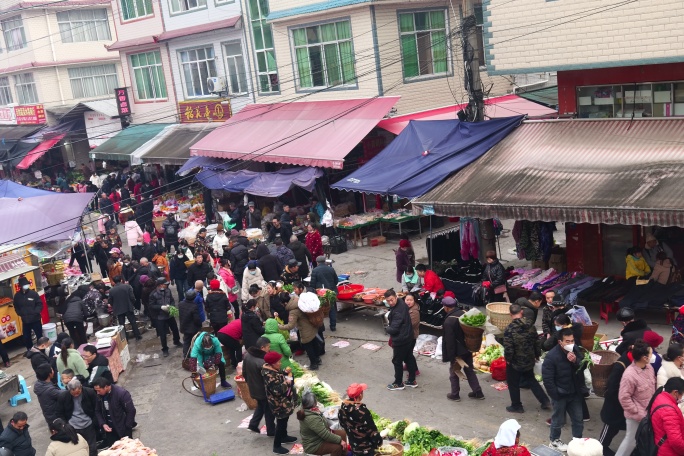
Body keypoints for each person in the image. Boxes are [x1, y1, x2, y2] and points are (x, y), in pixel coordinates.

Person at [542, 328, 586, 452]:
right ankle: (554, 441)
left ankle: (576, 441)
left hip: (574, 392)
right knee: (558, 420)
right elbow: (547, 379)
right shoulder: (552, 356)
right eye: (567, 341)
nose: (570, 344)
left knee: (578, 419)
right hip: (560, 394)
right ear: (560, 342)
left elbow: (583, 365)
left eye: (572, 341)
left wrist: (576, 361)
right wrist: (555, 395)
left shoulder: (575, 350)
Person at [503, 303, 550, 414]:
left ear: (510, 314)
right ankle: (545, 400)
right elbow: (536, 342)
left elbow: (508, 347)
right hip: (529, 359)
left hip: (515, 362)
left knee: (513, 383)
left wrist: (508, 359)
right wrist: (537, 355)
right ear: (521, 312)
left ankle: (516, 406)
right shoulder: (530, 325)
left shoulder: (509, 329)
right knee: (531, 380)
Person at [614, 340, 656, 456]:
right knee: (630, 441)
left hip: (648, 413)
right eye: (651, 354)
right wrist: (636, 411)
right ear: (644, 358)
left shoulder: (649, 368)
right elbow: (624, 397)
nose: (653, 356)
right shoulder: (629, 375)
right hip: (635, 415)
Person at [441, 296, 484, 401]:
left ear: (446, 307)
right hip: (468, 347)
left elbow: (450, 342)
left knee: (454, 372)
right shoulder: (464, 313)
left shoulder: (448, 322)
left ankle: (455, 394)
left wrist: (452, 357)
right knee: (469, 370)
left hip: (457, 351)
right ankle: (478, 392)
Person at [261, 351, 298, 454]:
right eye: (278, 362)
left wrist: (285, 372)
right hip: (278, 404)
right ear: (272, 363)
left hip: (283, 402)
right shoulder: (269, 376)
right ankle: (276, 446)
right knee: (281, 423)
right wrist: (287, 382)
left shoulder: (274, 370)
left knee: (285, 419)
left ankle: (284, 437)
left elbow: (279, 374)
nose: (280, 363)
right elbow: (277, 391)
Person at [599, 348, 631, 456]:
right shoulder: (621, 365)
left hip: (622, 403)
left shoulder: (632, 362)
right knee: (610, 427)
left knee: (615, 427)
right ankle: (601, 447)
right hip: (614, 403)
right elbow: (612, 386)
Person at [279, 291, 322, 370]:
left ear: (285, 303)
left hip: (305, 330)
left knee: (308, 347)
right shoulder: (298, 301)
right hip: (312, 326)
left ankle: (314, 364)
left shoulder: (293, 311)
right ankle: (318, 359)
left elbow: (290, 325)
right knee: (314, 343)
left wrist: (279, 326)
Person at [338, 383, 382, 456]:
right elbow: (372, 431)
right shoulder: (363, 412)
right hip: (366, 448)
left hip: (354, 445)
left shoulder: (342, 409)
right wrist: (379, 442)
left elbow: (342, 424)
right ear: (360, 395)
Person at [297, 391, 347, 456]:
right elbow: (325, 435)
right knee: (337, 447)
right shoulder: (312, 418)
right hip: (314, 445)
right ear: (313, 403)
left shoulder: (307, 410)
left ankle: (344, 453)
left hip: (318, 437)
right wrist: (340, 441)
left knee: (342, 433)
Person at [385, 289, 416, 390]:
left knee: (397, 361)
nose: (390, 302)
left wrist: (387, 328)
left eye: (392, 300)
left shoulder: (398, 311)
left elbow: (393, 329)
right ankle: (412, 380)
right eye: (388, 301)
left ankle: (398, 383)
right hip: (408, 336)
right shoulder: (401, 303)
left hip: (401, 339)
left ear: (396, 297)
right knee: (408, 358)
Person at [58, 378, 99, 456]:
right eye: (74, 393)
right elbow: (60, 413)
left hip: (88, 425)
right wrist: (65, 425)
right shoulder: (63, 397)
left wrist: (95, 421)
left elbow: (96, 408)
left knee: (92, 447)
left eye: (78, 392)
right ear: (69, 390)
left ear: (81, 387)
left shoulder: (89, 393)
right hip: (73, 426)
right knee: (78, 448)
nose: (76, 395)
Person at [93, 377, 136, 448]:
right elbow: (98, 411)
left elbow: (131, 411)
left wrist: (127, 426)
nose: (97, 393)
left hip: (123, 427)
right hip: (110, 429)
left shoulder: (121, 393)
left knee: (127, 449)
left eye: (99, 390)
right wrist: (103, 424)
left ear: (106, 387)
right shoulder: (99, 396)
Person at [244, 337, 275, 435]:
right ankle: (271, 430)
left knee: (261, 406)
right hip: (262, 390)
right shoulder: (262, 362)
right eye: (268, 347)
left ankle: (253, 424)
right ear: (262, 347)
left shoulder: (247, 356)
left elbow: (244, 373)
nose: (269, 349)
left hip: (253, 388)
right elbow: (268, 378)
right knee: (268, 410)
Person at [650, 377, 684, 456]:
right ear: (675, 392)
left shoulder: (660, 397)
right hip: (669, 452)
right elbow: (676, 442)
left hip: (661, 445)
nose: (682, 397)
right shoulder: (669, 410)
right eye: (682, 394)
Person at [148, 277, 181, 357]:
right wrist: (161, 307)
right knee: (163, 334)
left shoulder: (168, 291)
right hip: (159, 317)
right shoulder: (153, 294)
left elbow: (172, 300)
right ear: (160, 285)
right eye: (165, 284)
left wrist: (171, 306)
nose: (166, 285)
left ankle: (176, 341)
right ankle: (165, 348)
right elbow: (151, 306)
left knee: (175, 329)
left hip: (169, 315)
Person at [108, 275, 142, 341]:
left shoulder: (111, 290)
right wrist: (132, 304)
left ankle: (125, 338)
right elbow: (132, 297)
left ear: (114, 282)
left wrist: (114, 305)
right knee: (133, 322)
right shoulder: (127, 286)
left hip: (118, 309)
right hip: (128, 307)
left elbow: (110, 301)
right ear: (121, 280)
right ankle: (137, 336)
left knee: (121, 324)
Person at [13, 277, 43, 351]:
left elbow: (39, 304)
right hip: (25, 320)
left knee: (39, 336)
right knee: (26, 337)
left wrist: (36, 312)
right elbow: (16, 306)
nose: (26, 286)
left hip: (35, 319)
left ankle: (42, 349)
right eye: (24, 284)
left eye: (27, 284)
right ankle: (30, 350)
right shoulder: (17, 296)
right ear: (20, 286)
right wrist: (20, 313)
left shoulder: (33, 294)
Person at [310, 255, 338, 331]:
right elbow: (336, 281)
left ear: (317, 262)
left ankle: (322, 327)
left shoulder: (315, 270)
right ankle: (333, 326)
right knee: (331, 308)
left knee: (320, 310)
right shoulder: (331, 269)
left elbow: (312, 284)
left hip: (320, 294)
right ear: (325, 261)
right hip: (331, 292)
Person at [178, 290, 202, 357]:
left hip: (184, 326)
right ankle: (195, 355)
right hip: (193, 328)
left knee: (186, 341)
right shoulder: (194, 306)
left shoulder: (180, 304)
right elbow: (196, 319)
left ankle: (186, 355)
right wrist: (199, 325)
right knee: (195, 341)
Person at [405, 292, 421, 376]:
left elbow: (411, 325)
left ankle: (415, 370)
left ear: (414, 300)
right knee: (406, 353)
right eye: (407, 300)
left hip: (411, 335)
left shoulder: (414, 312)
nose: (408, 302)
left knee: (408, 354)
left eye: (411, 300)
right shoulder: (406, 308)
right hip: (406, 334)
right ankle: (408, 365)